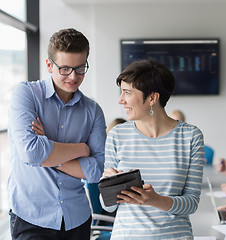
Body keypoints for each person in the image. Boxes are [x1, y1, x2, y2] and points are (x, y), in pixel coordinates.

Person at [7, 28, 106, 239]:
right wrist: (81, 149)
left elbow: (98, 169)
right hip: (31, 217)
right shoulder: (26, 95)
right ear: (49, 65)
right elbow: (31, 154)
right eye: (65, 68)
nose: (73, 76)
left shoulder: (93, 110)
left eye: (80, 68)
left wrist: (48, 148)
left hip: (76, 218)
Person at [101, 59, 205, 239]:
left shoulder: (191, 137)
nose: (121, 100)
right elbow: (107, 206)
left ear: (152, 98)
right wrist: (107, 186)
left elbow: (192, 203)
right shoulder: (117, 135)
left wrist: (155, 200)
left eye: (127, 92)